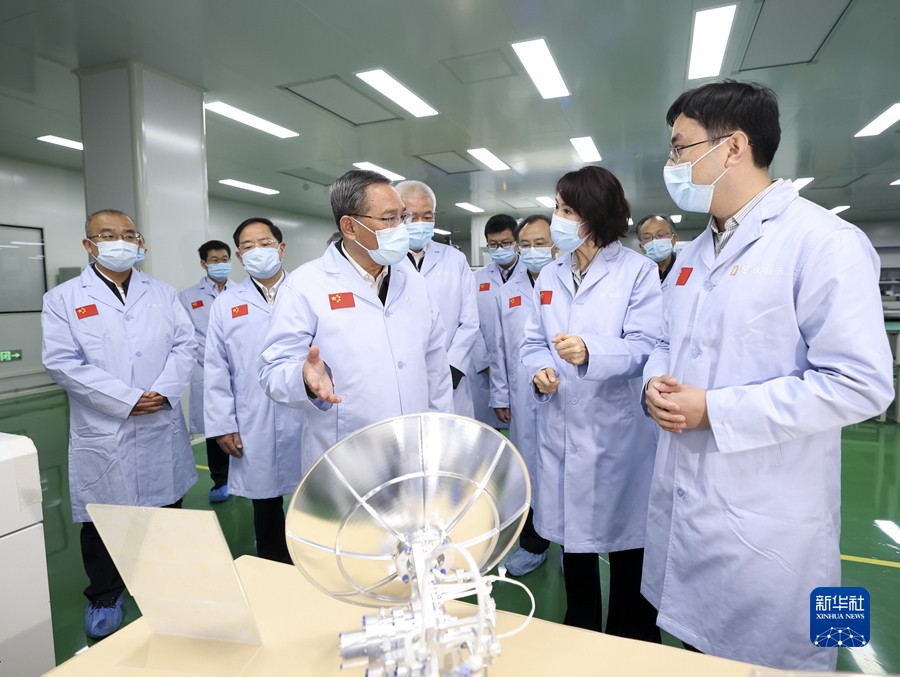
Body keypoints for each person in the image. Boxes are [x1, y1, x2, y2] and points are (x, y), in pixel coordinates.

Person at [643, 80, 894, 670]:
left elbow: (860, 383)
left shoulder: (823, 242)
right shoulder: (693, 255)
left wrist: (716, 410)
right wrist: (654, 382)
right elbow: (664, 342)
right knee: (697, 649)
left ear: (732, 147)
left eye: (680, 147)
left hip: (769, 522)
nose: (671, 163)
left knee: (772, 657)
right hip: (690, 508)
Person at [521, 166, 662, 641]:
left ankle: (630, 637)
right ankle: (580, 631)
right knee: (573, 543)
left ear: (594, 215)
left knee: (627, 548)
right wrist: (539, 370)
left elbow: (646, 346)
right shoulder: (551, 274)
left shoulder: (638, 272)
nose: (556, 219)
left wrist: (591, 351)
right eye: (557, 207)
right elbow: (532, 343)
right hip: (561, 423)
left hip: (616, 431)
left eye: (566, 210)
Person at [41, 209, 197, 639]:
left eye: (129, 234)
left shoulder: (162, 293)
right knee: (103, 517)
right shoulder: (63, 299)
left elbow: (185, 345)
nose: (120, 242)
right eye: (107, 235)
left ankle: (166, 584)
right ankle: (106, 594)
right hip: (104, 427)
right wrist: (126, 400)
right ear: (89, 245)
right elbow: (61, 362)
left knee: (166, 510)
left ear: (140, 243)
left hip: (159, 418)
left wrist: (162, 391)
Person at [258, 169, 453, 461]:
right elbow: (272, 370)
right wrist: (303, 379)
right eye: (389, 219)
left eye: (403, 216)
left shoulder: (414, 282)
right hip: (347, 453)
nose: (402, 228)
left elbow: (436, 368)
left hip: (417, 447)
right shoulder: (305, 286)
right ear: (349, 227)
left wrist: (443, 436)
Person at [204, 218, 303, 564]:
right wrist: (223, 424)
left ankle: (318, 563)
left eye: (265, 243)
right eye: (247, 246)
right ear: (239, 256)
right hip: (254, 415)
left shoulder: (306, 291)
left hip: (308, 411)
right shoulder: (226, 303)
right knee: (266, 501)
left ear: (281, 248)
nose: (257, 251)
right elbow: (216, 367)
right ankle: (274, 565)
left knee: (315, 496)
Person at [490, 214, 556, 576]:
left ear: (556, 244)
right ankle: (533, 544)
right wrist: (501, 395)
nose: (533, 251)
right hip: (523, 395)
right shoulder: (508, 291)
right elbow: (500, 349)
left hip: (565, 393)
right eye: (526, 244)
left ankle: (574, 546)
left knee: (566, 471)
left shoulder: (568, 282)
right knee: (529, 471)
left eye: (540, 243)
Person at [396, 180, 480, 417]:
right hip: (401, 376)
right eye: (411, 216)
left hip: (451, 375)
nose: (420, 223)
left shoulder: (455, 260)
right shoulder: (385, 262)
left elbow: (469, 322)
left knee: (452, 436)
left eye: (427, 216)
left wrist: (452, 368)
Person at [178, 240, 234, 503]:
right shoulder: (188, 297)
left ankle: (244, 477)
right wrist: (217, 358)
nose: (220, 264)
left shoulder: (241, 292)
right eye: (214, 260)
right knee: (216, 428)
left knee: (245, 425)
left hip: (240, 371)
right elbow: (187, 337)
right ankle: (221, 480)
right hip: (206, 372)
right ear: (203, 264)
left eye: (224, 259)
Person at [472, 214, 528, 428]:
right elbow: (470, 324)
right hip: (485, 369)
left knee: (525, 432)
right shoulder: (477, 279)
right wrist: (486, 364)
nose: (499, 249)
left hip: (524, 366)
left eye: (505, 243)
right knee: (489, 433)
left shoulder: (533, 275)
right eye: (493, 245)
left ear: (516, 243)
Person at [636, 215, 678, 282]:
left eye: (661, 235)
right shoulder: (637, 273)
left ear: (674, 239)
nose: (654, 241)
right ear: (641, 247)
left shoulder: (685, 263)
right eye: (647, 237)